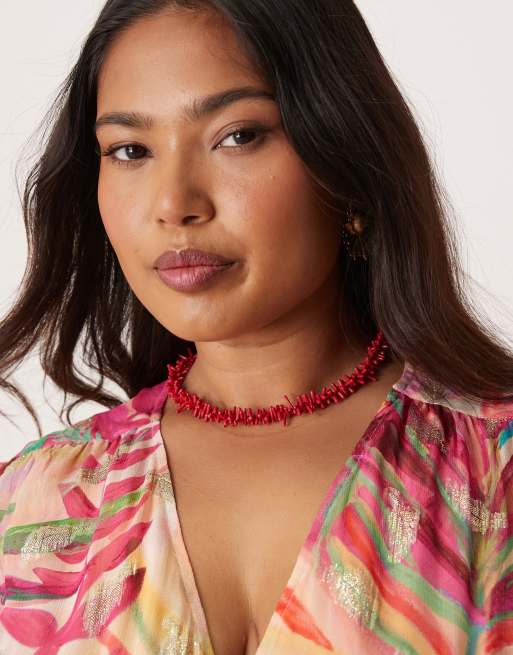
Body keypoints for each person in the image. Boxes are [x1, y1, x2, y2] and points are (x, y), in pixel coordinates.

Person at [1, 1, 512, 653]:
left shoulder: (493, 470)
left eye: (237, 136)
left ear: (347, 160)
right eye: (130, 150)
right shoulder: (34, 504)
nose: (174, 204)